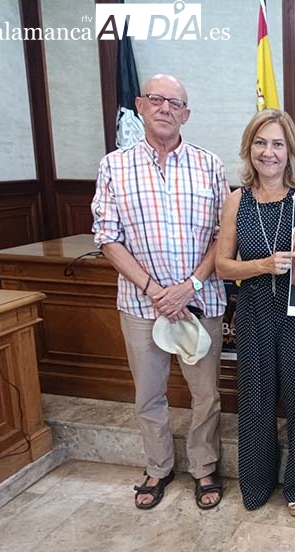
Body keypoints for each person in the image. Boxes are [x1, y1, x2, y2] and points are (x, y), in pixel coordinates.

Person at [91, 74, 227, 511]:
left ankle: (204, 466)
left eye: (175, 102)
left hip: (200, 301)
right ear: (140, 105)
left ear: (186, 113)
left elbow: (224, 238)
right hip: (139, 304)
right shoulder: (114, 166)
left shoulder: (210, 165)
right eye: (156, 99)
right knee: (148, 392)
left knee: (205, 392)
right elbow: (107, 237)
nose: (165, 108)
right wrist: (154, 290)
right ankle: (158, 465)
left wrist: (188, 286)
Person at [215, 109, 295, 518]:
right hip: (254, 308)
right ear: (249, 149)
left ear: (290, 150)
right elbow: (222, 266)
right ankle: (256, 481)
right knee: (256, 398)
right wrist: (262, 265)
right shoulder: (236, 201)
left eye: (278, 143)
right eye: (261, 143)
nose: (269, 152)